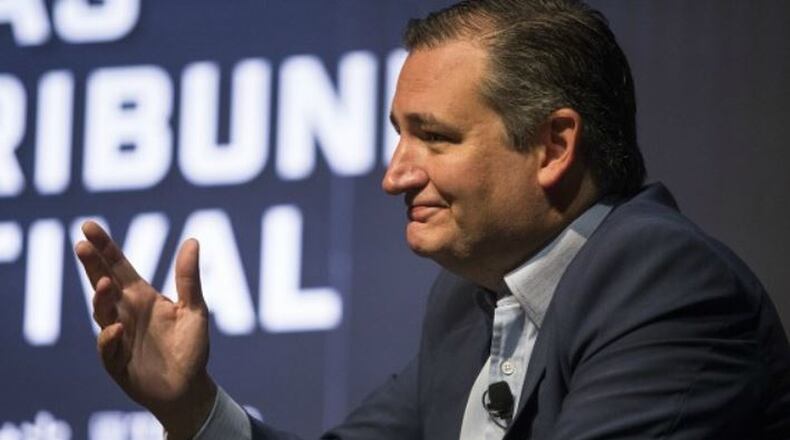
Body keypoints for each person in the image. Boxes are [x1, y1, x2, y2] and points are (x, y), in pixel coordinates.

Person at [75, 0, 790, 439]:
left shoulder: (663, 284)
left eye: (436, 137)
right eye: (397, 135)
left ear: (554, 146)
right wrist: (193, 408)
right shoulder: (466, 309)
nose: (395, 175)